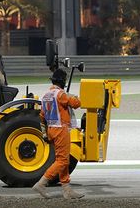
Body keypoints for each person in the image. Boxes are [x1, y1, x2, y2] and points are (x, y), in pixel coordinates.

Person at [32, 68, 84, 199]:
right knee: (62, 161)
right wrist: (75, 96)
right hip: (61, 130)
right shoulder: (60, 94)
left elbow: (42, 117)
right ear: (63, 81)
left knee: (63, 160)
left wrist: (45, 134)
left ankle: (67, 190)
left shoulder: (46, 95)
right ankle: (41, 183)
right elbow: (76, 104)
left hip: (51, 130)